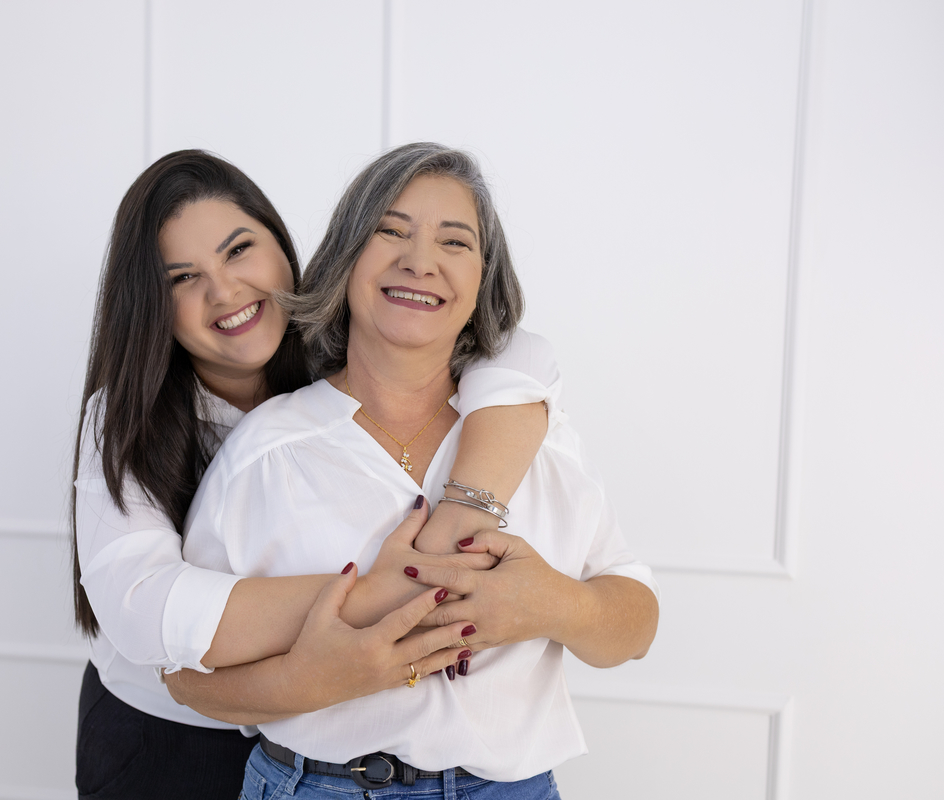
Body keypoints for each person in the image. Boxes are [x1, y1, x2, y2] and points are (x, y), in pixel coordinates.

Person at [71, 150, 564, 799]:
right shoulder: (126, 412)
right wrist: (389, 591)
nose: (225, 291)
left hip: (318, 754)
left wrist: (461, 516)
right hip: (168, 742)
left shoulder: (352, 349)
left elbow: (518, 354)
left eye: (239, 250)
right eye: (183, 278)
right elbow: (141, 611)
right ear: (150, 306)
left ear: (287, 247)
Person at [178, 143, 661, 799]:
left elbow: (635, 624)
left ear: (483, 281)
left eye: (454, 241)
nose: (420, 260)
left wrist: (552, 603)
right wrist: (321, 675)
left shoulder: (537, 433)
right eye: (391, 232)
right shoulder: (266, 451)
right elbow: (189, 676)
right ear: (346, 260)